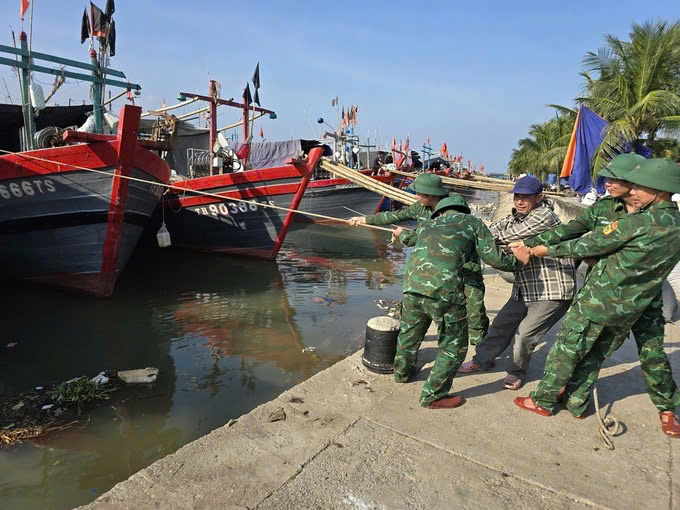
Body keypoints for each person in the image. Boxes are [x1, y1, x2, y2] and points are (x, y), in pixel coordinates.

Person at [514, 158, 680, 437]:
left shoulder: (636, 221)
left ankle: (542, 400)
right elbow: (574, 231)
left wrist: (537, 251)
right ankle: (577, 401)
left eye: (637, 186)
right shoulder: (669, 222)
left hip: (603, 299)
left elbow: (586, 243)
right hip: (633, 304)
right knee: (597, 352)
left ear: (660, 190)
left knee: (568, 349)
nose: (609, 185)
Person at [392, 196, 530, 409]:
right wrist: (519, 260)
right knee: (453, 346)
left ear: (440, 212)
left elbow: (408, 239)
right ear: (464, 211)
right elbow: (494, 259)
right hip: (444, 291)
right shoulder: (473, 223)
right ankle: (433, 396)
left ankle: (401, 374)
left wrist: (400, 234)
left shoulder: (427, 224)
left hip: (411, 288)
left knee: (409, 334)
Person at [458, 175, 577, 390]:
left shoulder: (544, 217)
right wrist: (499, 243)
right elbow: (489, 233)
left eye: (526, 197)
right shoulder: (515, 216)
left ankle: (516, 372)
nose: (520, 202)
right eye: (517, 197)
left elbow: (503, 238)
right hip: (526, 286)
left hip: (552, 291)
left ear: (539, 197)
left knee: (525, 336)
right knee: (500, 327)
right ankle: (481, 360)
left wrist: (499, 243)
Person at [348, 173, 490, 345]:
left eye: (419, 193)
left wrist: (406, 235)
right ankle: (445, 342)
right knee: (438, 308)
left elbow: (436, 238)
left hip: (464, 266)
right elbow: (394, 216)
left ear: (431, 194)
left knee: (474, 308)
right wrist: (363, 219)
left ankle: (479, 350)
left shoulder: (454, 206)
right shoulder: (419, 208)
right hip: (436, 268)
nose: (415, 196)